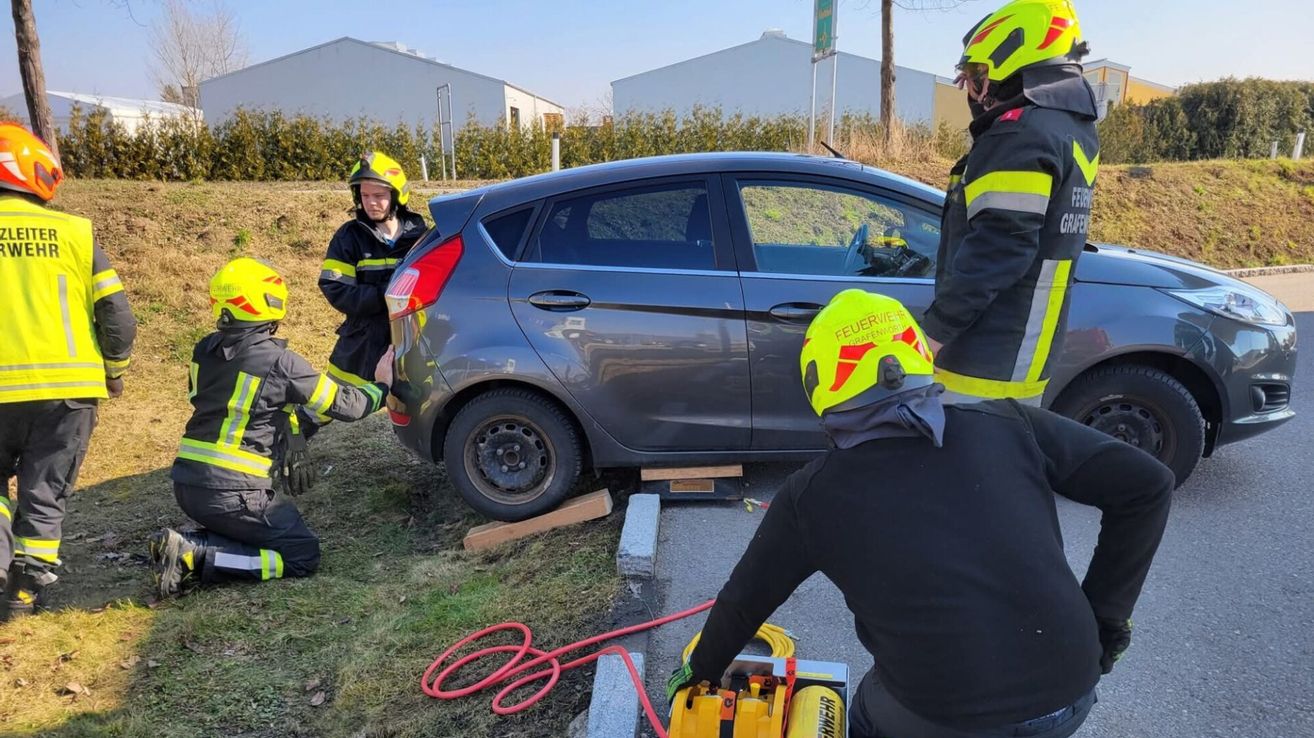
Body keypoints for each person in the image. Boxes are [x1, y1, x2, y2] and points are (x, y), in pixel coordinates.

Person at [668, 289, 1172, 738]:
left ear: (821, 383)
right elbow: (1148, 486)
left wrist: (699, 674)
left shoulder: (812, 496)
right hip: (1069, 694)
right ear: (913, 356)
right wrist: (1105, 622)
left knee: (864, 714)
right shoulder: (1005, 422)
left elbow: (743, 603)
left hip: (937, 717)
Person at [148, 257, 393, 596]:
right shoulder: (281, 362)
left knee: (255, 533)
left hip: (187, 486)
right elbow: (347, 406)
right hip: (234, 495)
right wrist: (383, 386)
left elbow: (234, 403)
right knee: (301, 555)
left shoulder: (204, 348)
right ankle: (197, 555)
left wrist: (290, 429)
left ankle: (184, 543)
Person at [920, 0, 1101, 405]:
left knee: (971, 464)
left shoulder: (1018, 136)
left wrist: (934, 333)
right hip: (1027, 352)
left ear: (1010, 64)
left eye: (976, 74)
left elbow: (999, 247)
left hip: (986, 359)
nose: (970, 87)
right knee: (1004, 462)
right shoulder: (1069, 131)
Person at [0, 122, 137, 615]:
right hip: (66, 392)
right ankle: (23, 591)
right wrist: (115, 368)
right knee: (44, 486)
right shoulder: (75, 232)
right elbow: (116, 315)